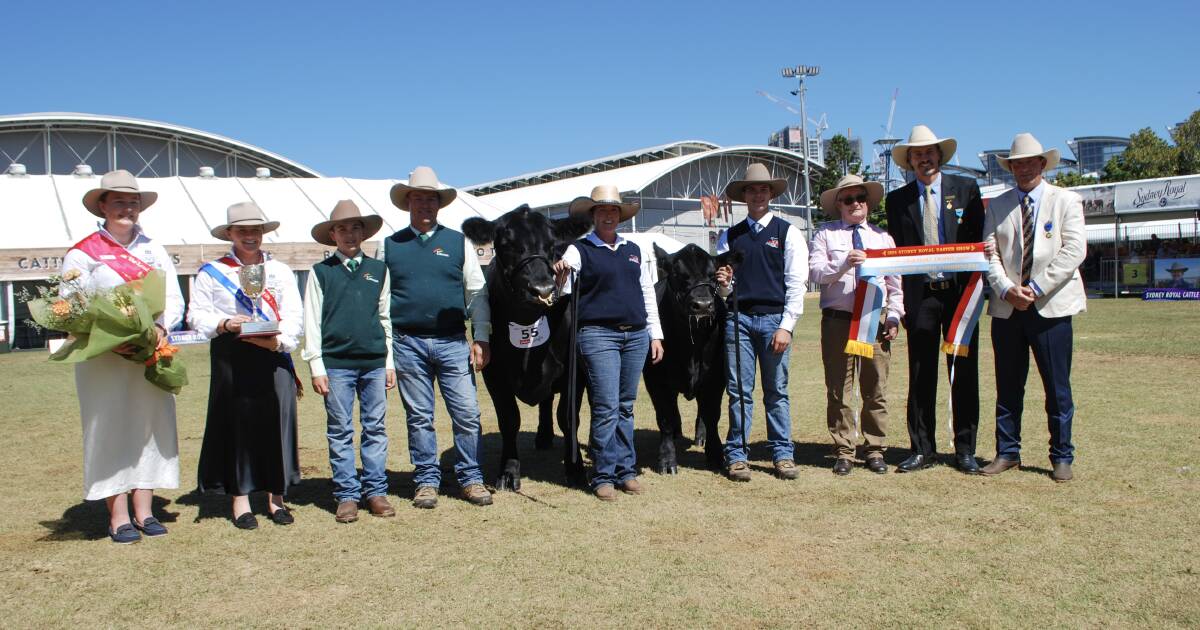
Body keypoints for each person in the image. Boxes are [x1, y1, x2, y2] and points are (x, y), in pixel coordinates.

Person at [63, 170, 183, 544]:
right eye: (119, 201)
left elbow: (173, 298)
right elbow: (70, 307)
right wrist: (109, 339)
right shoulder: (82, 253)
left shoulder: (154, 249)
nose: (127, 208)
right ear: (102, 205)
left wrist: (162, 328)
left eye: (133, 202)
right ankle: (117, 515)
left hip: (148, 353)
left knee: (150, 427)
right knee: (111, 427)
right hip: (104, 359)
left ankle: (145, 510)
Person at [189, 201, 303, 528]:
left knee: (276, 422)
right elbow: (196, 315)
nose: (250, 236)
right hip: (232, 353)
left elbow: (293, 314)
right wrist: (226, 322)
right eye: (242, 230)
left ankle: (276, 498)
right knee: (237, 425)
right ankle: (240, 500)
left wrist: (279, 342)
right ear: (230, 233)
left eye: (255, 230)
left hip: (273, 352)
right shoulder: (212, 271)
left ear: (263, 233)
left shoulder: (279, 270)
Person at [980, 133, 1086, 483]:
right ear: (1010, 168)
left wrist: (1037, 287)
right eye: (1017, 163)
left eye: (1029, 162)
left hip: (1051, 307)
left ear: (1043, 164)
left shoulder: (1066, 200)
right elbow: (988, 252)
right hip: (1008, 309)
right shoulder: (997, 204)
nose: (1023, 168)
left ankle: (1061, 455)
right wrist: (1007, 289)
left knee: (1057, 387)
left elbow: (1074, 251)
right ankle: (1007, 452)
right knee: (1008, 385)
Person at [385, 166, 492, 508]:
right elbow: (383, 302)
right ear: (408, 202)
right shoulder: (390, 246)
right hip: (408, 343)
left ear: (439, 204)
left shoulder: (458, 242)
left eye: (431, 199)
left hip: (452, 341)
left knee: (467, 413)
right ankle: (426, 481)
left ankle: (471, 478)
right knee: (419, 417)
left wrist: (482, 336)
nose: (425, 205)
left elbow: (476, 293)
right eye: (418, 198)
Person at [885, 125, 985, 474]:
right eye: (916, 154)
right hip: (921, 296)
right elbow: (894, 251)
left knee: (964, 373)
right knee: (920, 374)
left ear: (939, 156)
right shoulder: (897, 200)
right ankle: (922, 448)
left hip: (959, 297)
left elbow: (979, 241)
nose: (923, 158)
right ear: (909, 160)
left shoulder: (967, 189)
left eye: (929, 153)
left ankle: (965, 449)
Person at [553, 185, 665, 501]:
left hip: (636, 335)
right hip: (598, 334)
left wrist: (655, 334)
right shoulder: (579, 249)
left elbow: (647, 294)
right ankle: (602, 474)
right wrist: (561, 273)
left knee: (626, 406)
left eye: (613, 210)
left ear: (619, 215)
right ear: (593, 215)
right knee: (606, 406)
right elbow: (563, 289)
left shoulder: (635, 249)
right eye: (602, 210)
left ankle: (625, 470)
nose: (608, 216)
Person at [302, 200, 396, 523]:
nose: (350, 234)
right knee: (340, 429)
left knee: (375, 428)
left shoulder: (379, 270)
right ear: (332, 234)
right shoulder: (320, 273)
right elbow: (311, 323)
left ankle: (376, 491)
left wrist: (389, 362)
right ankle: (346, 495)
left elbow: (386, 319)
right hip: (337, 364)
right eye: (342, 228)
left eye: (355, 227)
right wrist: (316, 365)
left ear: (363, 232)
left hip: (373, 362)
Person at [714, 163, 808, 482]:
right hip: (738, 319)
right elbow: (724, 289)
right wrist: (724, 282)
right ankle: (737, 455)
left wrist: (787, 325)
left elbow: (797, 284)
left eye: (763, 189)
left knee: (776, 391)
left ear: (771, 193)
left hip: (773, 320)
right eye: (752, 189)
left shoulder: (787, 232)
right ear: (744, 195)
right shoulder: (729, 236)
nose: (758, 194)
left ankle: (782, 453)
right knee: (739, 391)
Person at [809, 175, 903, 476]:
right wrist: (843, 264)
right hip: (838, 321)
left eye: (860, 197)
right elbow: (815, 273)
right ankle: (844, 450)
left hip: (875, 320)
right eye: (848, 199)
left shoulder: (882, 238)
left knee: (876, 388)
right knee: (839, 390)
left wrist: (894, 316)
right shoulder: (825, 235)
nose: (855, 203)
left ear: (868, 202)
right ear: (838, 204)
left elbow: (895, 285)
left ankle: (875, 449)